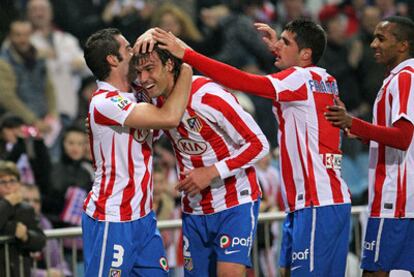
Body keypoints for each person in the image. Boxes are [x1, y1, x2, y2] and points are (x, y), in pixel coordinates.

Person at [136, 18, 352, 276]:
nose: (276, 45)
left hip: (252, 201)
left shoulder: (211, 95)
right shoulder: (324, 79)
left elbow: (247, 93)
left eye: (284, 42)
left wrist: (189, 56)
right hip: (207, 206)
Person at [134, 43, 269, 276]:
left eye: (150, 69)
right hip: (194, 207)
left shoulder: (209, 96)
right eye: (139, 72)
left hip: (234, 202)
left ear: (169, 64)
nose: (143, 78)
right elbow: (146, 134)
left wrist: (211, 172)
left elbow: (259, 144)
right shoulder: (153, 100)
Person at [81, 28, 192, 276]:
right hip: (113, 216)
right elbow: (170, 117)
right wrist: (186, 67)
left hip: (142, 216)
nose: (134, 52)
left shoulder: (136, 94)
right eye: (128, 48)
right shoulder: (105, 101)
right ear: (112, 59)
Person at [325, 16, 414, 276]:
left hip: (395, 197)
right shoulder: (396, 78)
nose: (373, 44)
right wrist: (356, 128)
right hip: (402, 196)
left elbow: (402, 137)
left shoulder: (405, 78)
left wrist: (355, 122)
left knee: (374, 272)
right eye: (373, 37)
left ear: (403, 45)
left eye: (382, 38)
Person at [0, 161, 46, 277]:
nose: (8, 185)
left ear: (19, 184)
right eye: (3, 182)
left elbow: (40, 240)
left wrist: (26, 235)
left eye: (12, 181)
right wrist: (8, 203)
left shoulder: (26, 209)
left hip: (20, 271)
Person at [21, 183, 71, 277]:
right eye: (26, 200)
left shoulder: (44, 223)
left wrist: (63, 273)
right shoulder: (11, 226)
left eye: (36, 201)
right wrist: (44, 274)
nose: (32, 205)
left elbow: (58, 261)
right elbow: (14, 269)